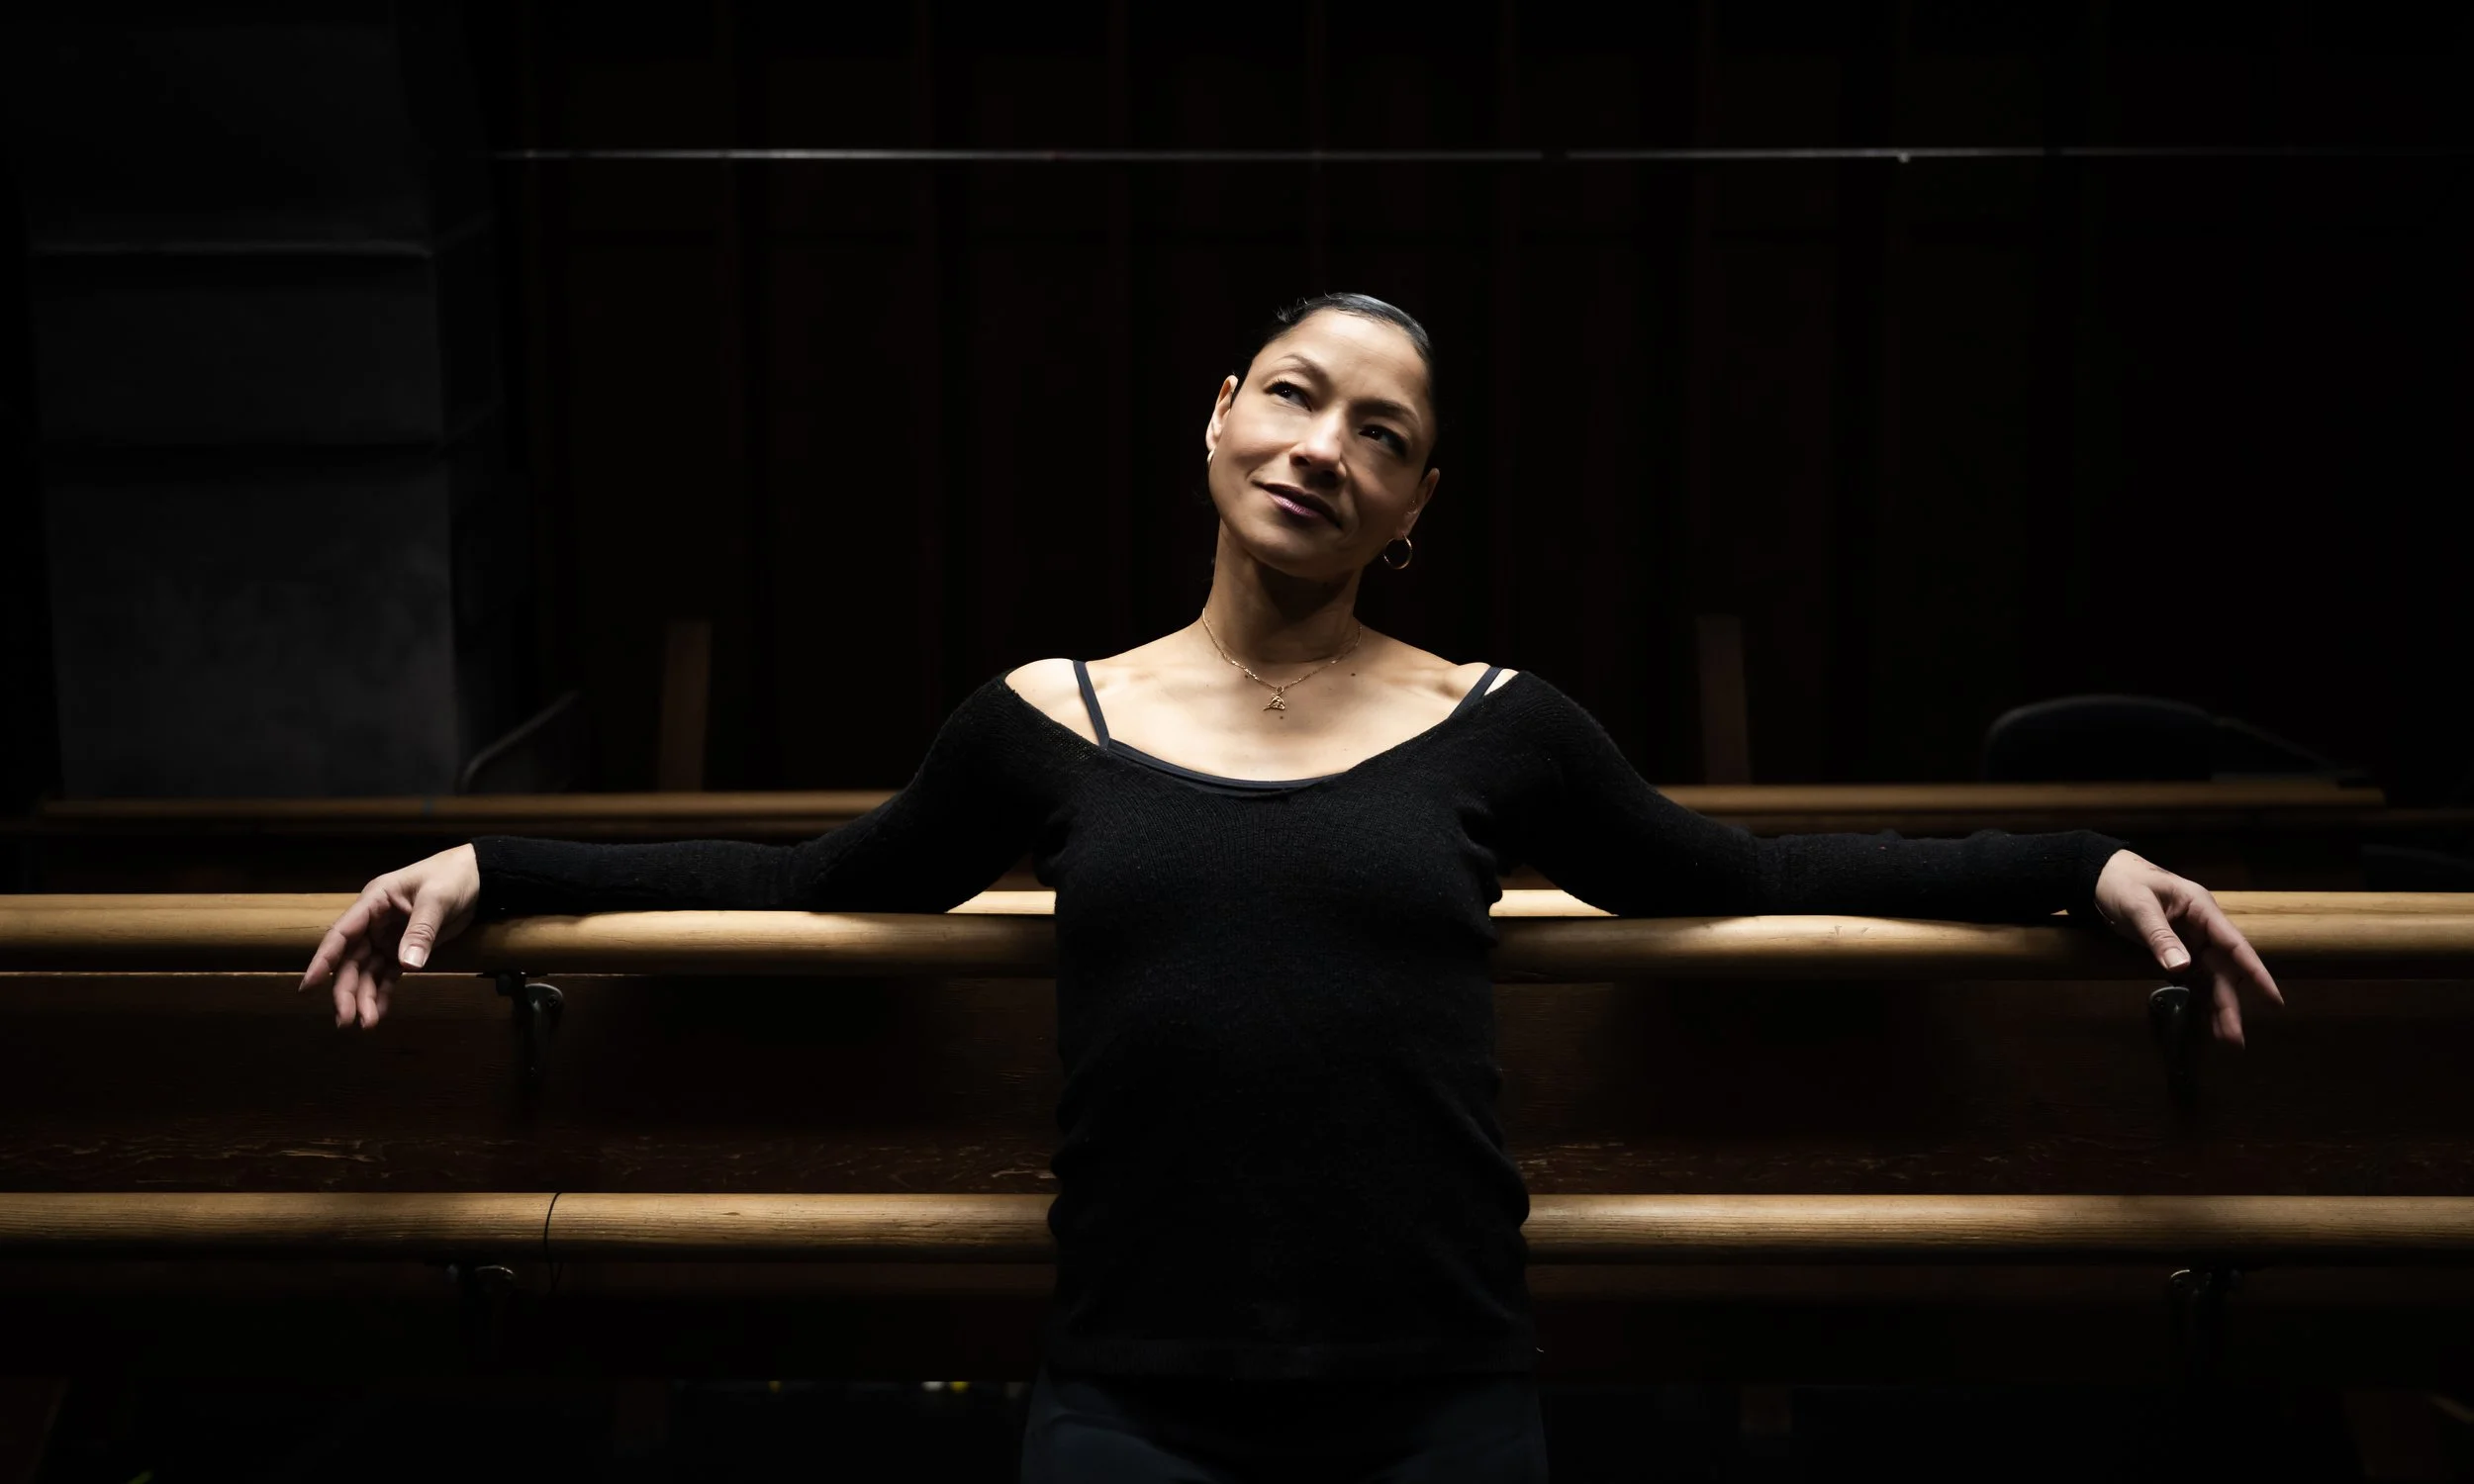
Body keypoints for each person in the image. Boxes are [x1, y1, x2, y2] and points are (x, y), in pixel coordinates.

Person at [299, 292, 2283, 1482]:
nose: (1325, 446)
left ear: (1415, 507)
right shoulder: (1041, 719)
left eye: (1381, 435)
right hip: (1130, 1394)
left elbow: (1753, 872)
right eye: (1294, 393)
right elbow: (813, 885)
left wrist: (2080, 862)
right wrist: (490, 863)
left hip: (1438, 1391)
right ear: (1219, 418)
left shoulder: (1503, 727)